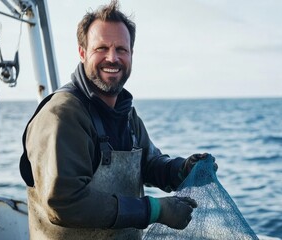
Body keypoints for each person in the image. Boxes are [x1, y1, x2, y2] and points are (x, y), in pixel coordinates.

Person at [19, 0, 216, 239]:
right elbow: (65, 203)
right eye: (101, 48)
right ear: (82, 53)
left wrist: (181, 170)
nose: (112, 58)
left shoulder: (126, 112)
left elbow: (149, 163)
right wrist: (155, 210)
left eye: (121, 49)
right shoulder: (62, 115)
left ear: (131, 54)